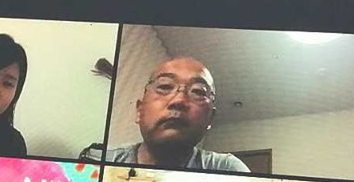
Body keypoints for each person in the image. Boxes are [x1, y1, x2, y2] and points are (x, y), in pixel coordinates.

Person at [92, 57, 250, 172]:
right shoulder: (97, 161)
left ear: (210, 118)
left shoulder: (227, 168)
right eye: (165, 86)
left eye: (197, 91)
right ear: (139, 110)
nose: (179, 100)